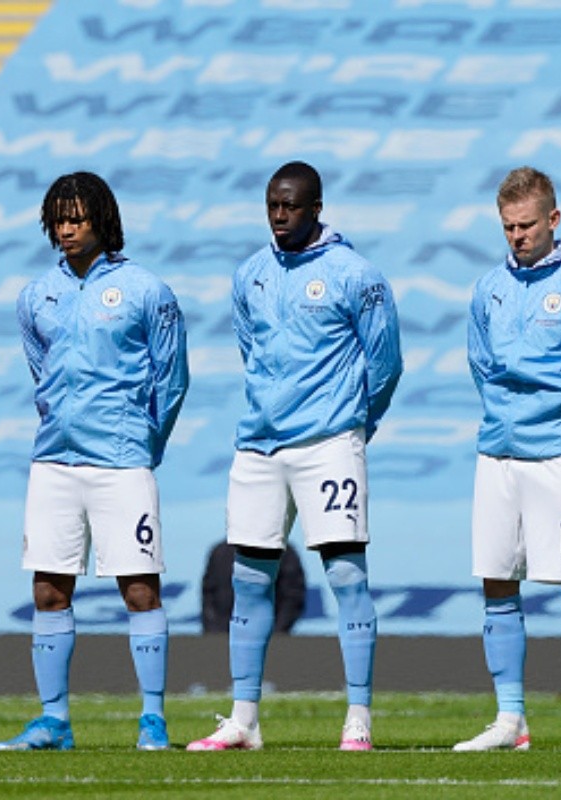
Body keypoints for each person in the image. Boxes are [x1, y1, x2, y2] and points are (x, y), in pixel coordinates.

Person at [187, 161, 402, 752]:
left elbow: (385, 365)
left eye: (290, 207)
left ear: (316, 207)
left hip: (329, 442)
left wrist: (357, 425)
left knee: (346, 575)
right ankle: (244, 719)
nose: (279, 217)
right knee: (249, 578)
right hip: (259, 445)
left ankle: (358, 716)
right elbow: (250, 352)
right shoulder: (250, 274)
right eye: (271, 206)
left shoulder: (356, 275)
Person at [0, 171, 189, 752]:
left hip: (122, 462)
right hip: (54, 460)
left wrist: (143, 445)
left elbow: (171, 378)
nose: (67, 228)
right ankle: (53, 721)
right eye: (59, 218)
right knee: (50, 591)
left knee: (139, 590)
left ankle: (152, 720)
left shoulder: (145, 290)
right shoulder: (36, 296)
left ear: (103, 220)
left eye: (78, 217)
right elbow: (41, 373)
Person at [455, 166, 561, 752]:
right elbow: (480, 364)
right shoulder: (487, 289)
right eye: (507, 228)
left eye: (526, 225)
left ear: (554, 219)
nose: (517, 236)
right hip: (498, 451)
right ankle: (510, 721)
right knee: (497, 581)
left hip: (559, 454)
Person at [201, 541, 306, 634]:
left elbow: (292, 598)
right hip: (222, 637)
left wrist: (277, 633)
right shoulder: (220, 552)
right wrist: (215, 633)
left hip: (270, 638)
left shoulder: (284, 553)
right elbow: (209, 596)